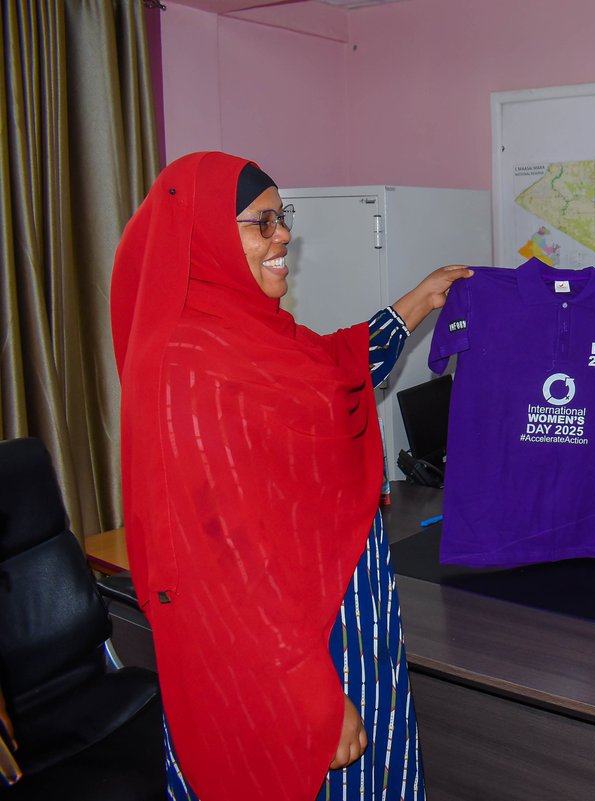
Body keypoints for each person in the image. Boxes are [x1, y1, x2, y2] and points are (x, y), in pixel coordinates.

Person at [110, 151, 471, 801]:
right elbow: (226, 561)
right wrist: (313, 695)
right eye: (262, 223)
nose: (284, 236)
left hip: (337, 613)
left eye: (284, 218)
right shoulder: (189, 366)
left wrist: (419, 300)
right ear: (205, 236)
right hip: (287, 651)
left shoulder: (249, 334)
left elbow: (328, 373)